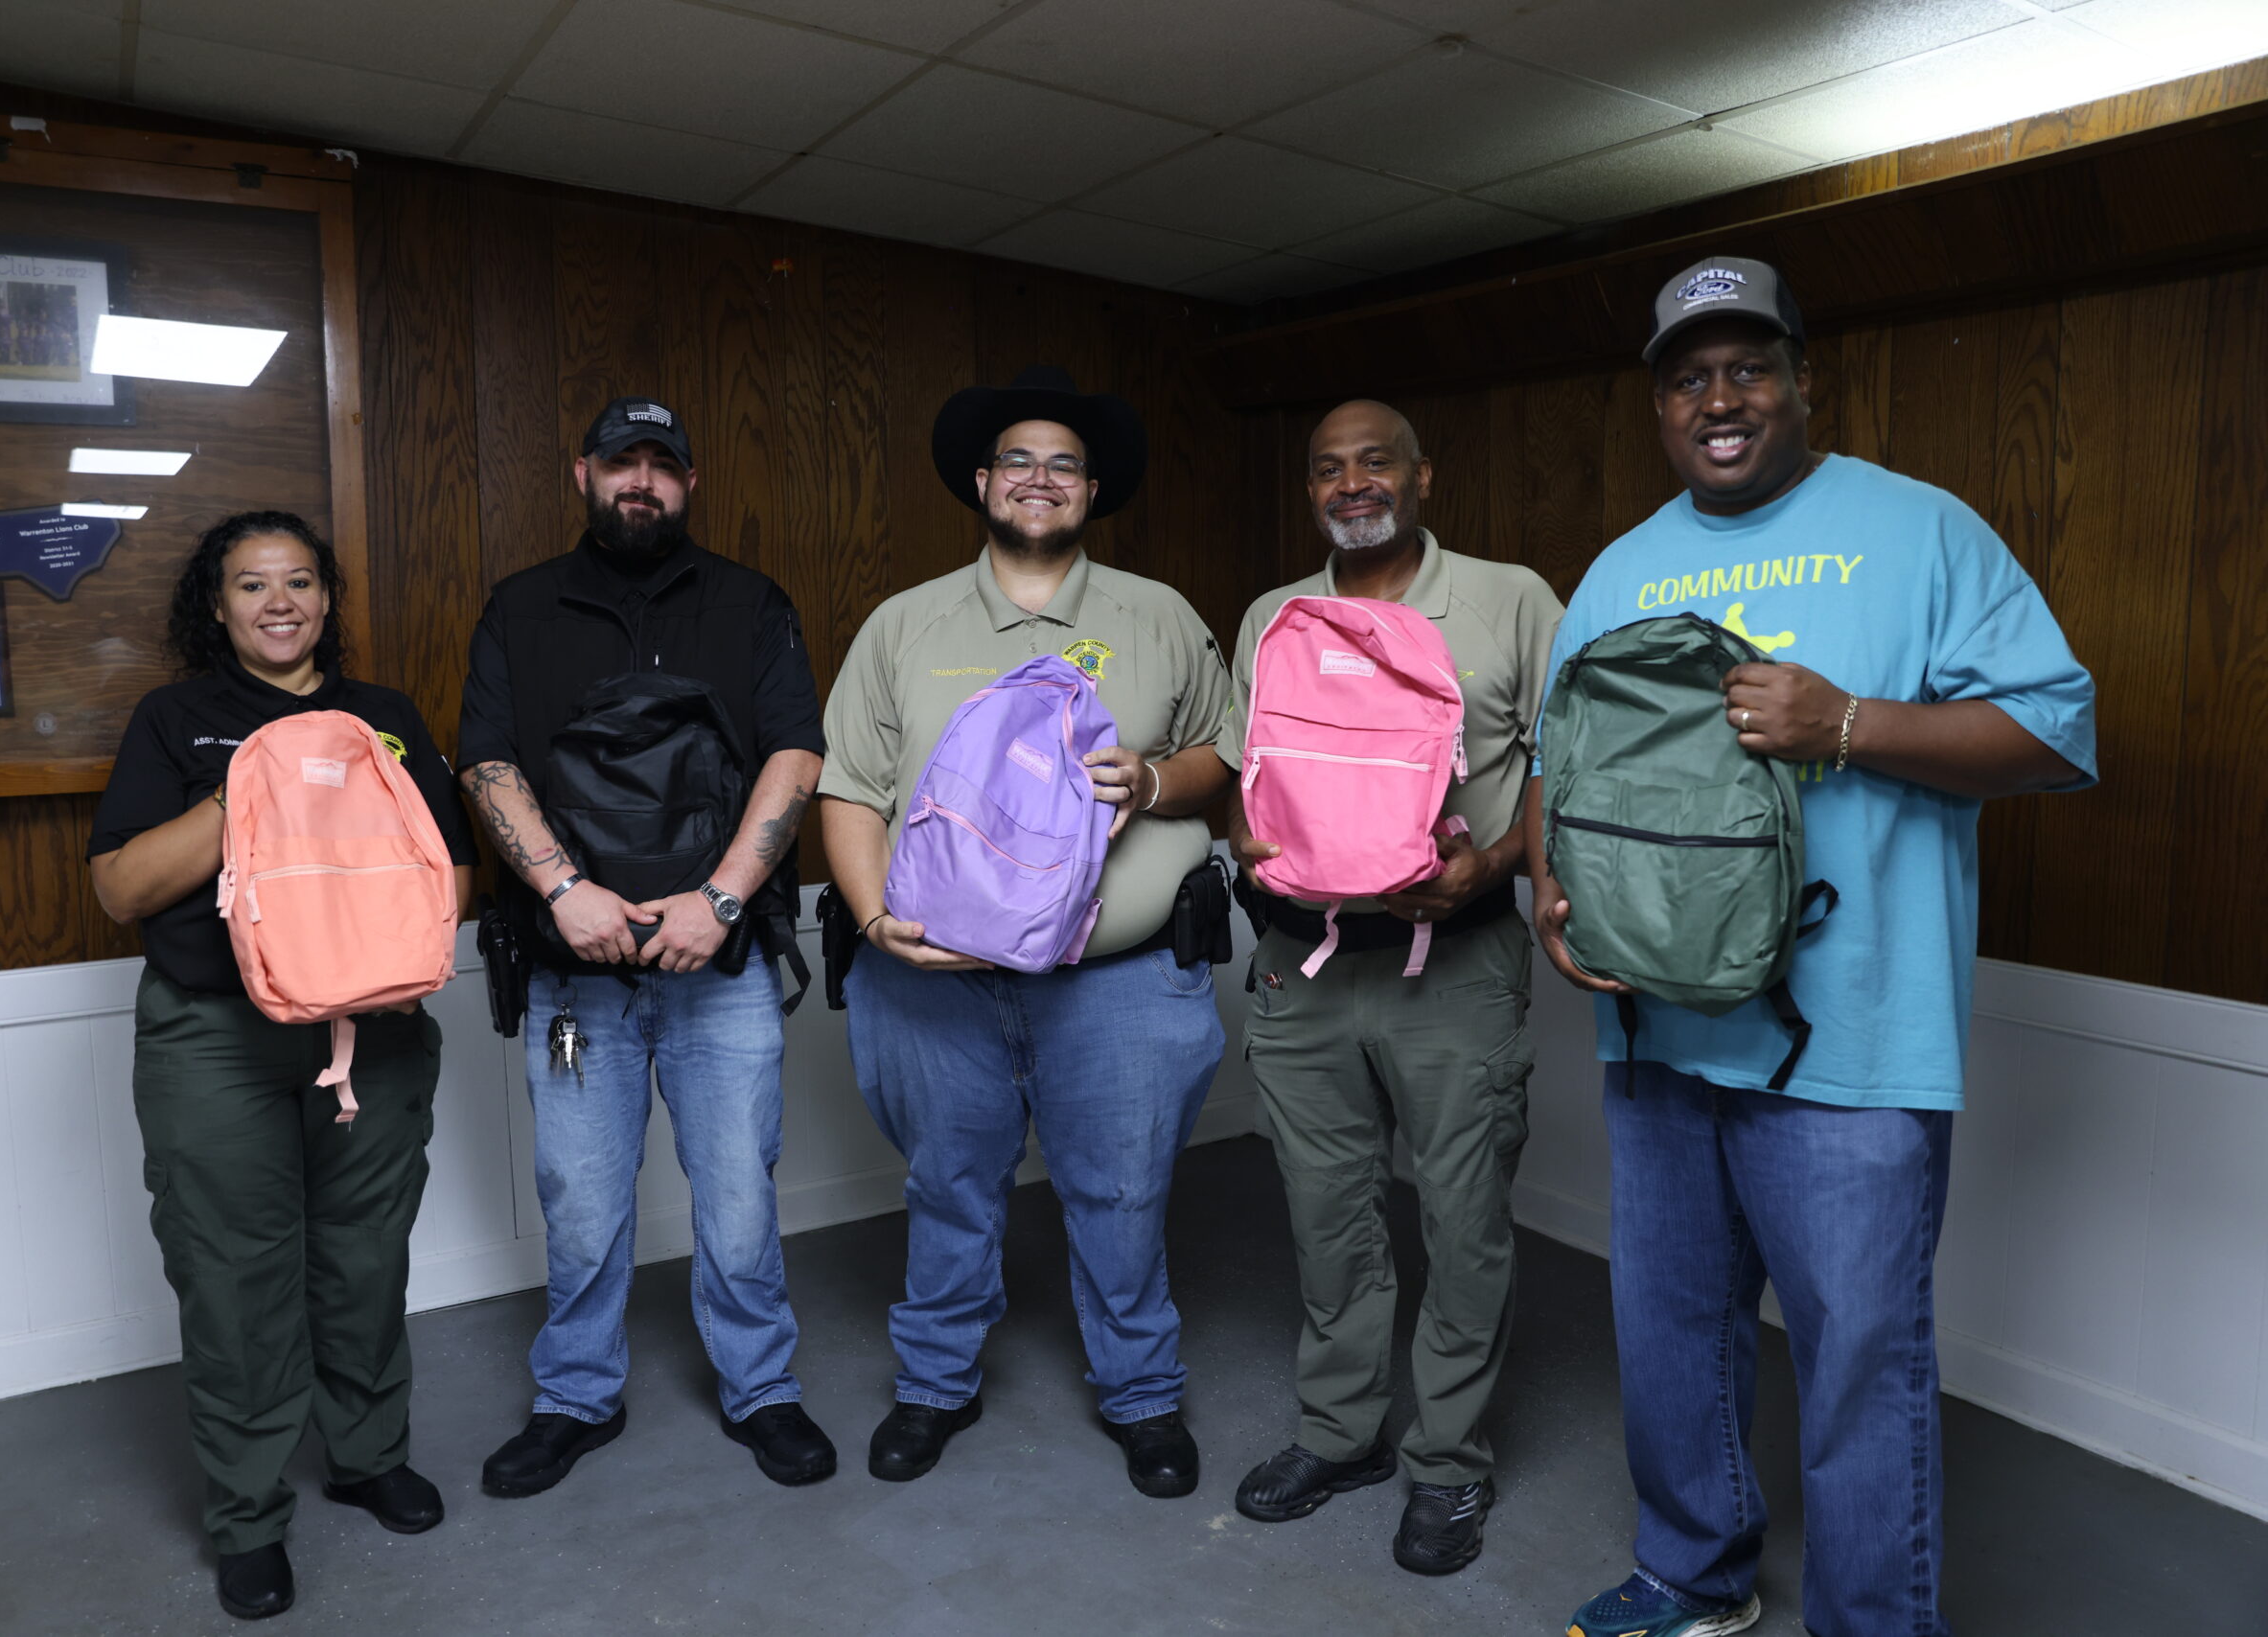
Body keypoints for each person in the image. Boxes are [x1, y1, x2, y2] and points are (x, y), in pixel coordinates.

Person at [1537, 259, 2097, 1637]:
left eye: (1747, 366)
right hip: (1658, 1030)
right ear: (1660, 404)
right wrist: (1555, 898)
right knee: (1670, 1334)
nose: (1718, 398)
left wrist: (1847, 723)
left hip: (1854, 1038)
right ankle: (1693, 1574)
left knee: (1860, 1364)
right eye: (1688, 376)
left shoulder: (1921, 532)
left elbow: (2054, 735)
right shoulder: (1620, 567)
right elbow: (1560, 765)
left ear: (1801, 380)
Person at [818, 365, 1234, 1497]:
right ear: (980, 481)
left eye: (1062, 462)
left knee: (1121, 1190)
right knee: (949, 1187)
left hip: (1118, 983)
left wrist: (1150, 779)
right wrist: (870, 922)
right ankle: (936, 1384)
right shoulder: (905, 624)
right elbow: (850, 787)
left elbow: (1224, 758)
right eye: (1017, 459)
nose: (1037, 479)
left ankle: (1142, 1396)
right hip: (935, 982)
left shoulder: (1158, 615)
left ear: (1091, 489)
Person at [88, 511, 476, 1622]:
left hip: (375, 1032)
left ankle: (365, 1456)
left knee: (363, 1261)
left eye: (299, 581)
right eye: (251, 584)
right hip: (216, 1038)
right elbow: (122, 890)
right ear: (216, 605)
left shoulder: (386, 720)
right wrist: (257, 790)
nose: (278, 602)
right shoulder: (178, 719)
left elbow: (449, 884)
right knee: (235, 1277)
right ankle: (249, 1515)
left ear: (325, 598)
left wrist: (344, 792)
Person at [457, 398, 836, 1496]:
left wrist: (717, 900)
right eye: (620, 461)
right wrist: (563, 890)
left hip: (716, 970)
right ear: (579, 473)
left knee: (736, 1191)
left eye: (660, 465)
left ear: (690, 480)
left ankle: (761, 1387)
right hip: (576, 981)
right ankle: (576, 1394)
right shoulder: (522, 609)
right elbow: (482, 758)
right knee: (578, 1189)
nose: (640, 481)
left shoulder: (749, 604)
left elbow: (797, 756)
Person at [1219, 402, 1563, 1576]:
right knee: (1330, 1220)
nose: (1351, 482)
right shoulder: (1273, 613)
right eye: (1327, 467)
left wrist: (1496, 864)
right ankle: (1340, 1435)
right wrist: (1244, 839)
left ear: (1422, 473)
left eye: (1375, 462)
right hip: (1301, 964)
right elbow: (1243, 768)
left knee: (1461, 1223)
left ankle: (1450, 1465)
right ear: (1307, 488)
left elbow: (1567, 769)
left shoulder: (1510, 599)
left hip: (1453, 962)